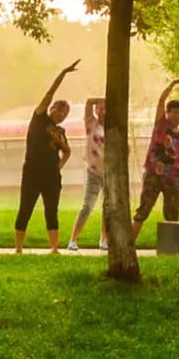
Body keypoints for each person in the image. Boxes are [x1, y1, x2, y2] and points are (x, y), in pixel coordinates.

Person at [14, 61, 77, 254]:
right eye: (60, 111)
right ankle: (18, 248)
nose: (61, 115)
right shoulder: (40, 117)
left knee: (52, 210)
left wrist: (59, 163)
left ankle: (54, 247)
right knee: (26, 207)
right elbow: (49, 94)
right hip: (32, 170)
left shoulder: (60, 130)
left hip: (51, 174)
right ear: (52, 109)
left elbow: (67, 151)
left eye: (65, 114)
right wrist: (63, 74)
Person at [131, 77, 179, 241]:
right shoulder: (161, 125)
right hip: (154, 174)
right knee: (143, 209)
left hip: (173, 178)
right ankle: (130, 243)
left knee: (172, 213)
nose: (177, 116)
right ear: (168, 113)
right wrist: (172, 85)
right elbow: (161, 100)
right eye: (174, 112)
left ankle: (170, 248)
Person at [67, 96, 107, 251]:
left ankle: (104, 239)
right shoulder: (91, 124)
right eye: (100, 109)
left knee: (107, 207)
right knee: (87, 205)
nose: (102, 112)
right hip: (93, 171)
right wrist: (103, 99)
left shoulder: (114, 127)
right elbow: (89, 101)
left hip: (109, 172)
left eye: (105, 109)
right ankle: (73, 239)